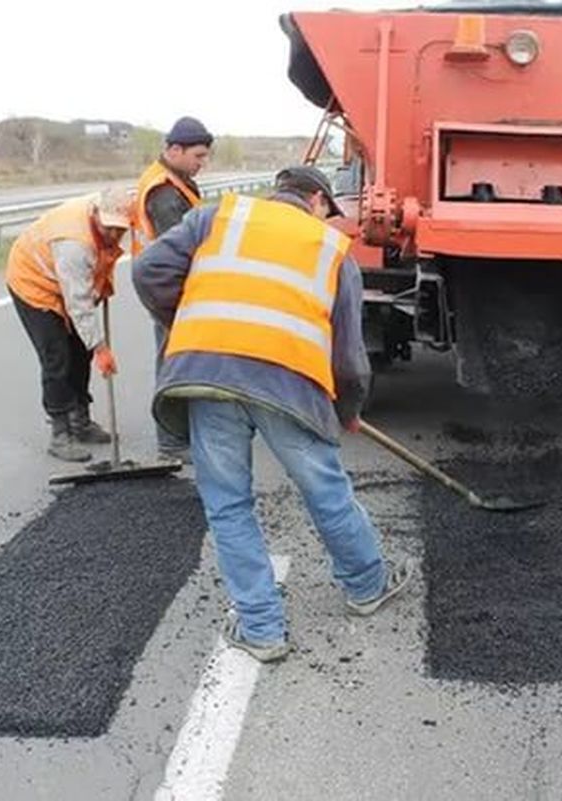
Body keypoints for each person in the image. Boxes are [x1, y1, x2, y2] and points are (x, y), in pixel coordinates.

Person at [132, 165, 413, 661]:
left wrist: (190, 324)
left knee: (227, 503)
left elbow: (147, 271)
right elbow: (349, 358)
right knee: (325, 489)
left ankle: (261, 630)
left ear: (278, 193)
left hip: (207, 371)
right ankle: (367, 586)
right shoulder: (332, 251)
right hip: (289, 384)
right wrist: (347, 408)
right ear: (318, 202)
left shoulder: (218, 217)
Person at [6, 187, 133, 462]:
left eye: (120, 230)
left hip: (67, 280)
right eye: (109, 228)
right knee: (57, 356)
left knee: (80, 350)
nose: (114, 235)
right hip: (34, 281)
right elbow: (79, 302)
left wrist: (91, 344)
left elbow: (92, 277)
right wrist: (101, 348)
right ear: (97, 214)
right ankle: (60, 433)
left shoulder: (109, 221)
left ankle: (81, 421)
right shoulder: (74, 242)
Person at [132, 116, 213, 460]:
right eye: (198, 156)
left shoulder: (176, 181)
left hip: (172, 285)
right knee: (173, 361)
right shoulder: (164, 192)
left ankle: (182, 433)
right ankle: (171, 442)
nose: (201, 163)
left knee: (179, 359)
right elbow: (177, 249)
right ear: (175, 150)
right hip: (168, 289)